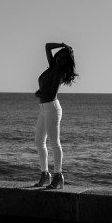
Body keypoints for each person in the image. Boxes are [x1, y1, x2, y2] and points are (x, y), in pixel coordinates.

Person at [33, 42, 78, 189]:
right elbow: (47, 46)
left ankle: (58, 175)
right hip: (43, 109)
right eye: (60, 55)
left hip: (52, 108)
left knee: (54, 142)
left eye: (64, 58)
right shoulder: (53, 66)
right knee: (39, 142)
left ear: (67, 62)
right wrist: (62, 45)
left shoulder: (59, 72)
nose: (60, 59)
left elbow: (52, 94)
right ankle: (45, 174)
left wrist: (39, 93)